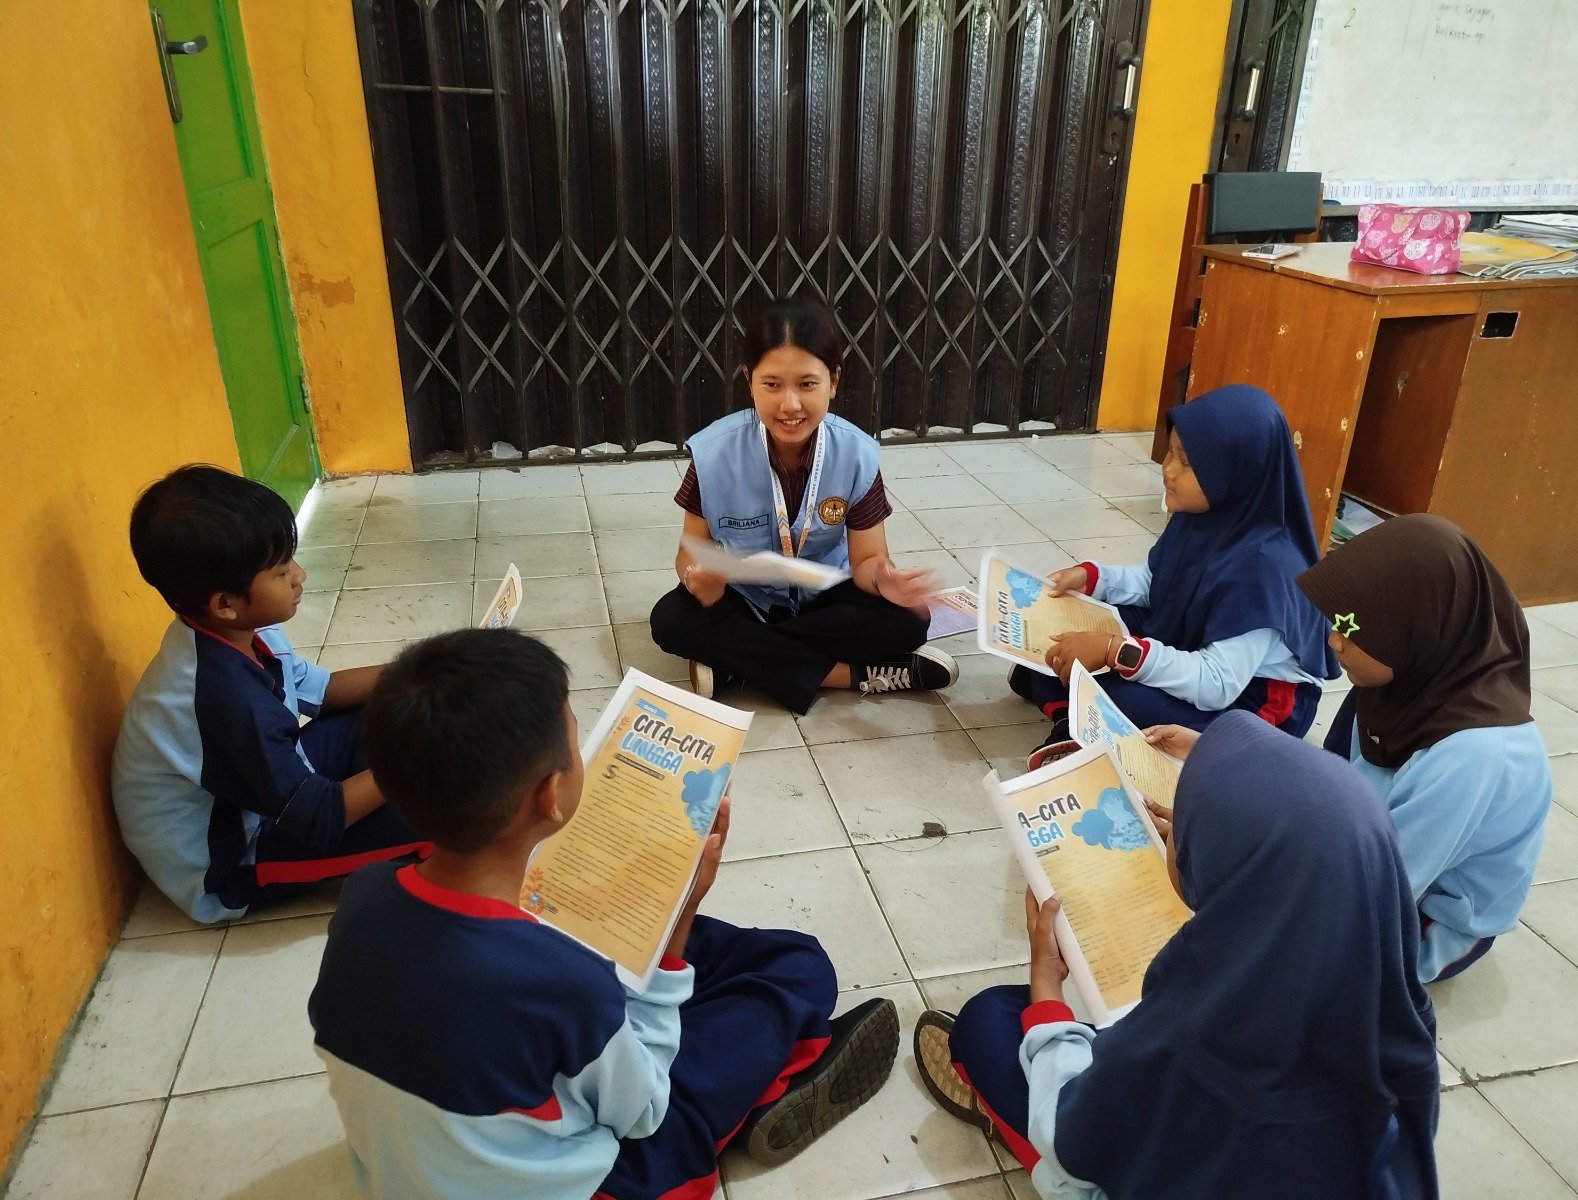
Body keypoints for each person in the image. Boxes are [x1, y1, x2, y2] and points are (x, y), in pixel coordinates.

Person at [310, 627, 898, 1199]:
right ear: (549, 795)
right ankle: (762, 1095)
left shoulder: (365, 894)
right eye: (575, 743)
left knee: (695, 963)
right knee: (797, 968)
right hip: (604, 1182)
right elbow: (643, 1111)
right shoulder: (561, 981)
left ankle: (734, 1065)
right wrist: (681, 912)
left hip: (407, 1169)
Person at [913, 711, 1441, 1200]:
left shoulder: (1197, 1041)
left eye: (1182, 832)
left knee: (988, 1021)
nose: (1171, 837)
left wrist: (1048, 991)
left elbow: (1070, 1138)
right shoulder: (1396, 1014)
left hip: (1136, 1161)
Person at [112, 465, 422, 923]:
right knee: (446, 811)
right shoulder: (225, 699)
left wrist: (425, 670)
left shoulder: (239, 628)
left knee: (401, 705)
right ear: (225, 603)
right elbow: (317, 817)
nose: (300, 575)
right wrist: (411, 764)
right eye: (281, 572)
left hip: (264, 796)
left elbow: (322, 690)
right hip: (237, 863)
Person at [650, 295, 956, 714]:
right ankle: (850, 675)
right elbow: (690, 551)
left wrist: (885, 581)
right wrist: (699, 580)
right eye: (772, 384)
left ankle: (738, 666)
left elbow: (867, 560)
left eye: (807, 384)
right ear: (749, 380)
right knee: (670, 620)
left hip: (822, 598)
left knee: (911, 620)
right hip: (747, 598)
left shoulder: (857, 454)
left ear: (834, 380)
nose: (790, 405)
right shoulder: (712, 454)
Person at [1013, 384, 1337, 759]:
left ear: (1235, 471)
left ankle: (1077, 719)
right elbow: (1159, 582)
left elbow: (1216, 684)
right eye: (1171, 452)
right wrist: (1094, 579)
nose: (1168, 470)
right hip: (1193, 642)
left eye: (1187, 462)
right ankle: (1070, 717)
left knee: (1121, 696)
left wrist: (1115, 651)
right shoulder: (1204, 513)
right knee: (1057, 633)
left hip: (1253, 701)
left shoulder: (1265, 567)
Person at [1297, 513, 1552, 982]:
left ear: (1414, 626)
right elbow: (1329, 783)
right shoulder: (1394, 679)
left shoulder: (1473, 756)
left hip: (1431, 915)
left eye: (1351, 629)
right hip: (1377, 856)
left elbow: (1379, 889)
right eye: (1336, 623)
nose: (1333, 641)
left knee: (1283, 958)